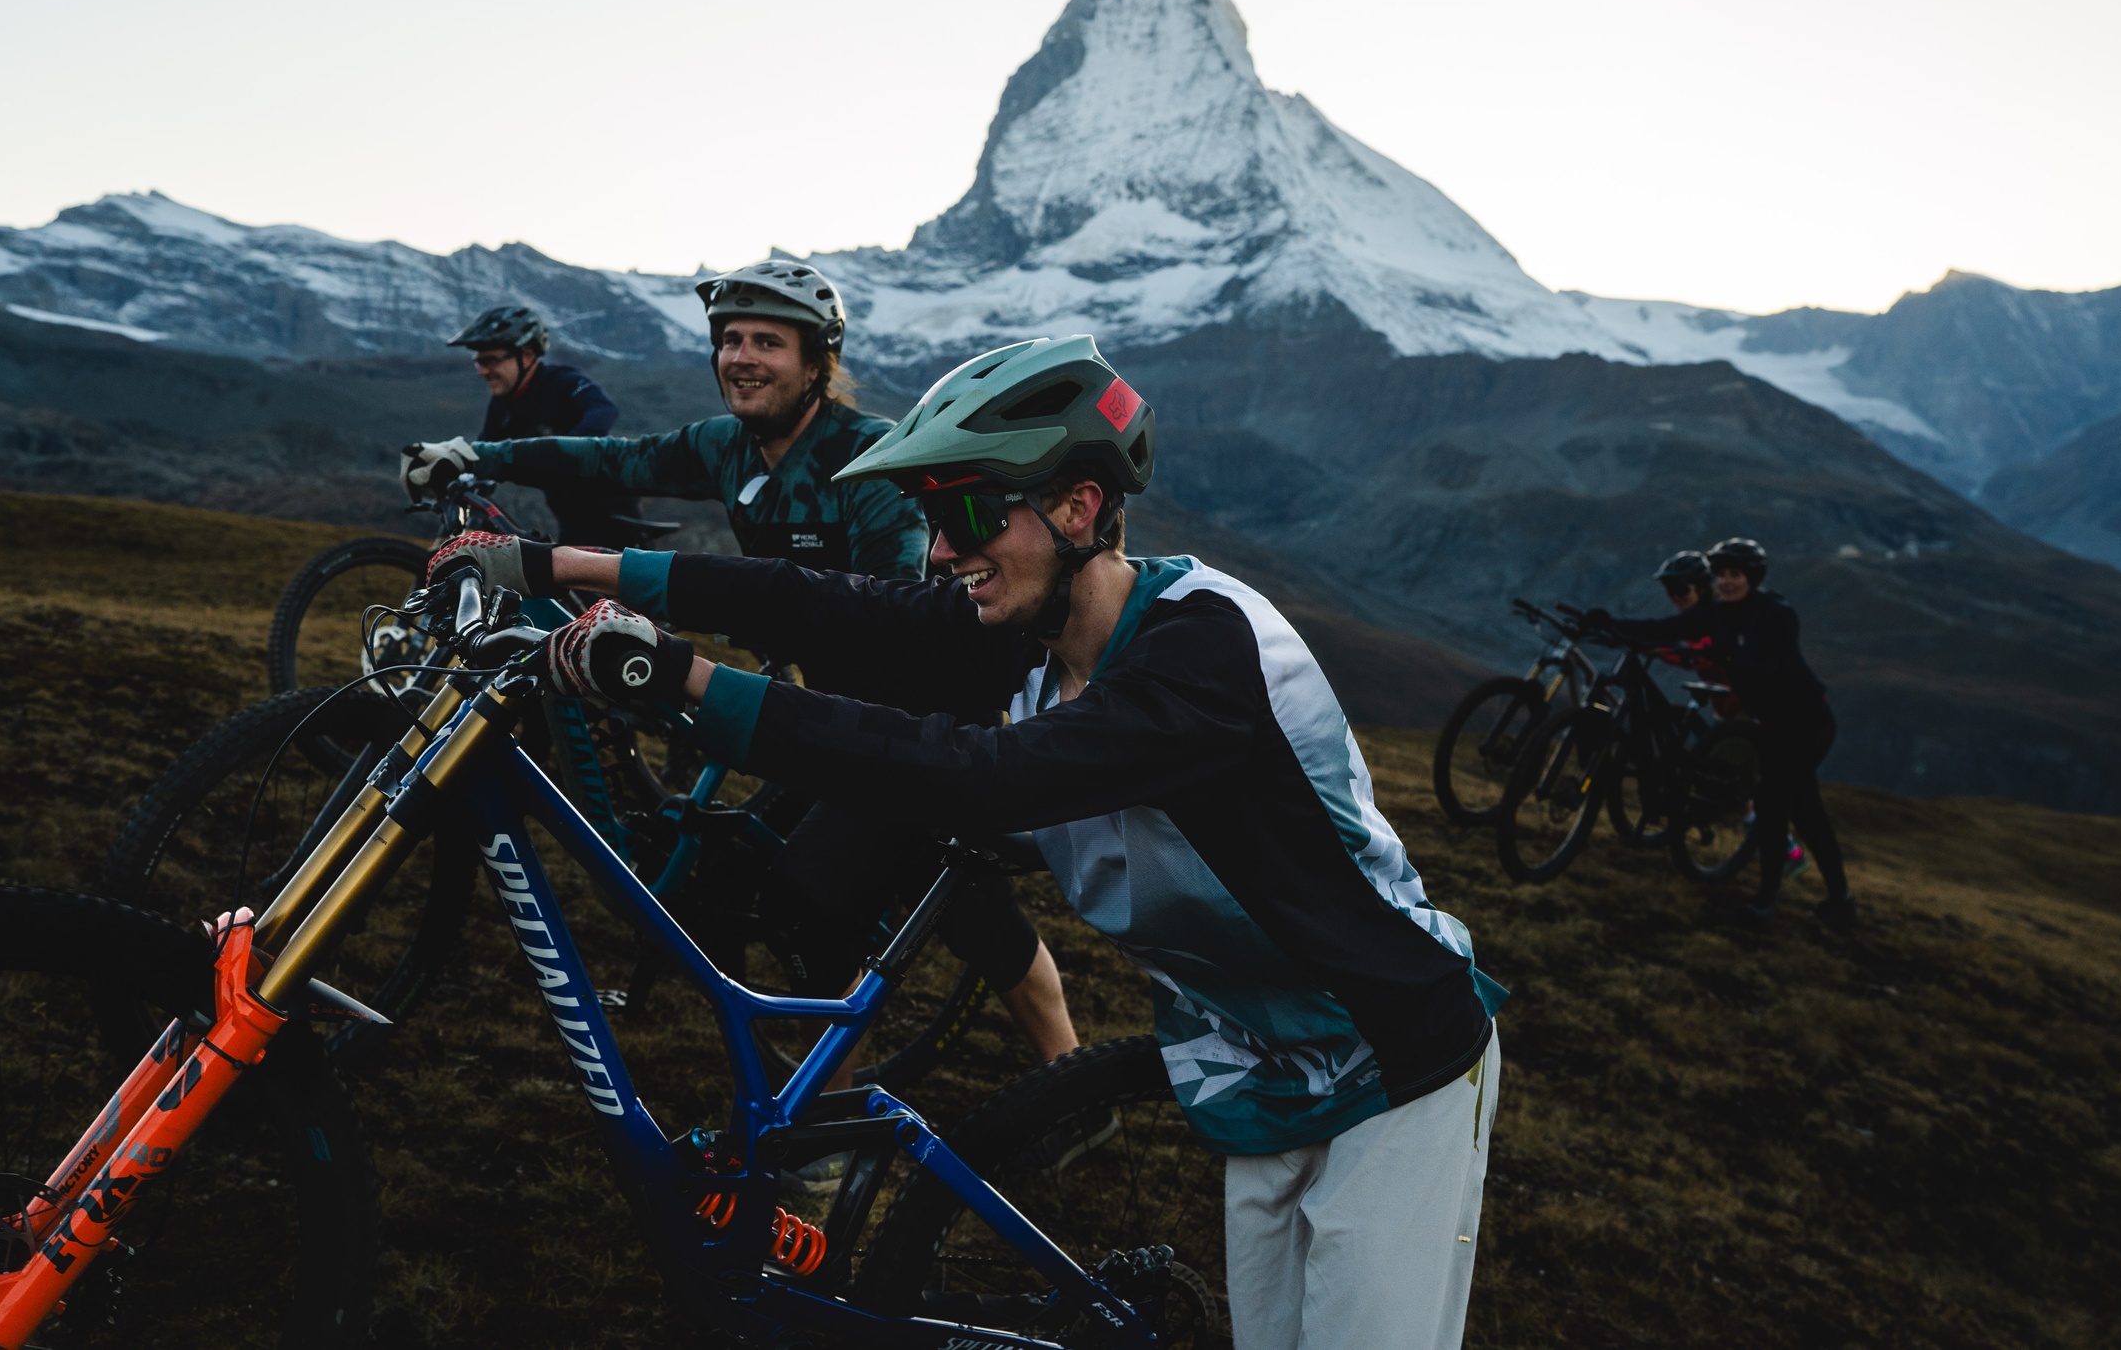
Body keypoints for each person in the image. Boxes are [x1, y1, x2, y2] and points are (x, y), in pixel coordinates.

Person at [438, 334, 1509, 1350]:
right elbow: (834, 604)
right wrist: (554, 562)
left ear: (1080, 505)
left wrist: (680, 678)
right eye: (930, 514)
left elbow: (977, 774)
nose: (944, 547)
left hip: (1394, 1060)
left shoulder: (1203, 651)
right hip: (1256, 1067)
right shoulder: (1041, 634)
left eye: (968, 512)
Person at [409, 262, 1077, 1073]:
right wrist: (478, 453)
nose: (742, 357)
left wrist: (684, 603)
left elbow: (881, 608)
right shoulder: (726, 449)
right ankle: (1044, 1072)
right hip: (823, 703)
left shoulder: (869, 461)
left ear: (817, 363)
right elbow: (613, 460)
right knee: (836, 877)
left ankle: (842, 1099)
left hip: (916, 711)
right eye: (729, 340)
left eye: (768, 341)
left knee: (830, 888)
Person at [1596, 538, 1853, 928]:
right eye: (1721, 575)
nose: (1727, 582)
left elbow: (1779, 664)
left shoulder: (1776, 612)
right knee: (1802, 811)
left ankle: (1768, 903)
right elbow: (1666, 629)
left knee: (1776, 804)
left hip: (1805, 723)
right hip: (1767, 727)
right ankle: (1838, 901)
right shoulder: (1714, 614)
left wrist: (1731, 656)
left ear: (1752, 577)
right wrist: (1609, 625)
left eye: (1735, 574)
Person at [400, 304, 644, 548]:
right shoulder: (502, 406)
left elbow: (603, 409)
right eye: (478, 362)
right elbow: (482, 450)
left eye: (491, 361)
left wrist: (570, 448)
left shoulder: (562, 382)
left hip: (612, 519)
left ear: (527, 356)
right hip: (569, 517)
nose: (483, 371)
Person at [1644, 548, 1806, 881]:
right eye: (1670, 592)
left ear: (1701, 589)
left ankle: (1787, 852)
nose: (1675, 598)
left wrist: (1666, 651)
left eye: (1681, 591)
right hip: (1729, 711)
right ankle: (1778, 847)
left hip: (1756, 712)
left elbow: (1705, 654)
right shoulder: (1698, 617)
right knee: (1733, 782)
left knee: (1730, 779)